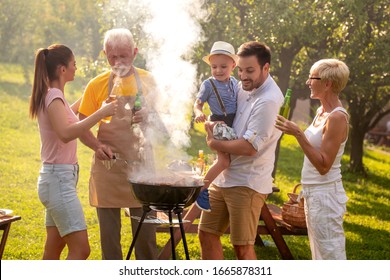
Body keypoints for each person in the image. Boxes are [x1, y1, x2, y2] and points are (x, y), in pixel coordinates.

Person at [29, 44, 117, 260]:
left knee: (53, 249)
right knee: (81, 249)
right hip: (58, 181)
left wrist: (92, 92)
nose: (76, 68)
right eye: (74, 64)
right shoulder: (54, 97)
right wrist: (101, 112)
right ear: (62, 69)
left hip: (56, 180)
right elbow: (66, 133)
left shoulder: (52, 95)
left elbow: (72, 112)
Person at [198, 41, 284, 260]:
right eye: (241, 70)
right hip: (225, 177)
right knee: (207, 234)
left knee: (242, 247)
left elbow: (248, 147)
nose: (243, 76)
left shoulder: (268, 101)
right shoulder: (242, 85)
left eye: (250, 71)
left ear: (266, 68)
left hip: (247, 181)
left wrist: (214, 144)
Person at [78, 28, 158, 260]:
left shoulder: (149, 81)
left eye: (124, 55)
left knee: (145, 237)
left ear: (135, 52)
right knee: (109, 240)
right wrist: (96, 146)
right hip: (108, 170)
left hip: (142, 168)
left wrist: (150, 116)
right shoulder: (96, 85)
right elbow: (82, 126)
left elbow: (166, 125)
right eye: (113, 56)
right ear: (105, 54)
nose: (119, 61)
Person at [275, 58, 350, 260]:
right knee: (319, 255)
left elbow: (324, 165)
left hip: (325, 195)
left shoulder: (337, 118)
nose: (308, 82)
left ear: (327, 84)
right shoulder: (321, 112)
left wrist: (298, 134)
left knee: (330, 256)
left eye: (312, 77)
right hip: (313, 193)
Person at [193, 41, 239, 212]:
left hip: (233, 122)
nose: (218, 70)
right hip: (219, 122)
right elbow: (197, 104)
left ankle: (213, 188)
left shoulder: (235, 83)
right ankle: (201, 189)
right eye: (214, 67)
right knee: (224, 161)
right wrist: (199, 114)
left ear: (233, 66)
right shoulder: (208, 84)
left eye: (223, 66)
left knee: (231, 159)